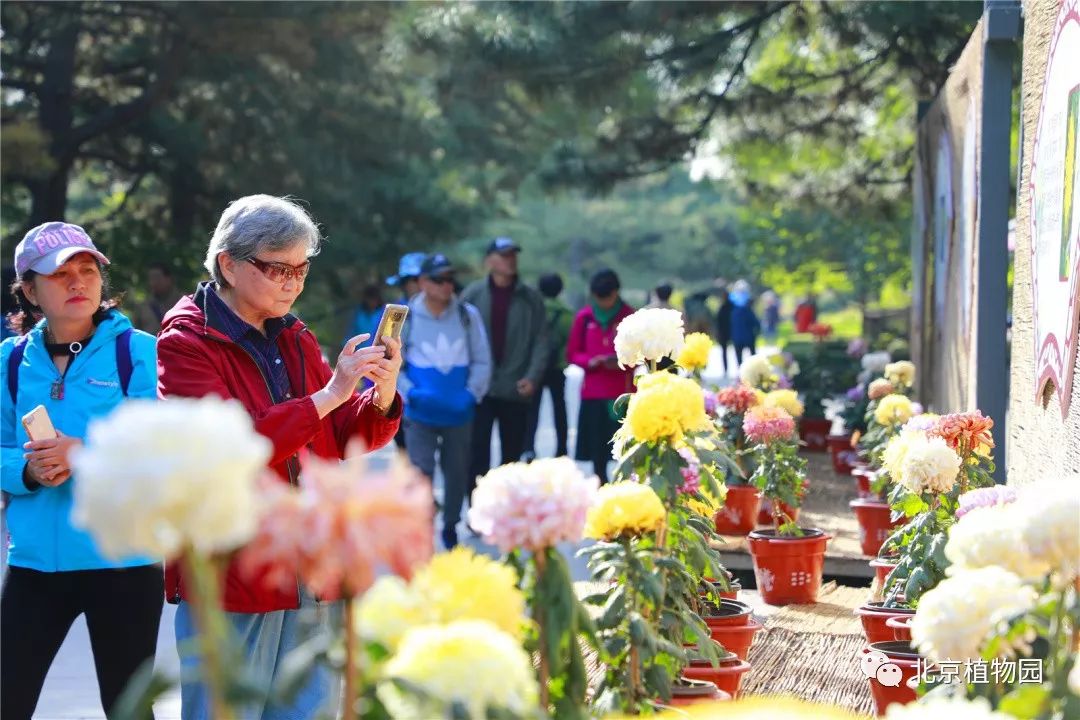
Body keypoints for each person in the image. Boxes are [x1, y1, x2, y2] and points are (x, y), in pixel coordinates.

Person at [156, 195, 404, 720]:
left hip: (310, 558)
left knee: (308, 711)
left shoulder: (293, 333)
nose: (293, 282)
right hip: (234, 566)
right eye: (277, 269)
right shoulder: (185, 341)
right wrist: (333, 392)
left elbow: (338, 437)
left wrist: (379, 393)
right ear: (228, 263)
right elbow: (233, 448)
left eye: (302, 269)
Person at [1, 222, 162, 720]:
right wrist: (28, 471)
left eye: (87, 269)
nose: (77, 282)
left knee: (127, 711)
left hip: (124, 562)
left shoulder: (138, 351)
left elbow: (156, 450)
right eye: (59, 274)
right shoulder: (9, 361)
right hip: (35, 565)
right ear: (30, 290)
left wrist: (84, 455)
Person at [399, 254, 491, 549]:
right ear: (423, 282)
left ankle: (450, 524)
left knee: (456, 471)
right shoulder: (405, 317)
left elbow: (482, 359)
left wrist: (470, 395)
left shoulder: (467, 315)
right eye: (438, 279)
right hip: (419, 413)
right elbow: (390, 363)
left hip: (458, 413)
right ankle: (421, 525)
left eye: (450, 278)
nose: (446, 285)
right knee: (420, 470)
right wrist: (410, 392)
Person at [461, 237, 548, 489]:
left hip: (516, 386)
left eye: (513, 255)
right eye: (503, 255)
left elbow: (541, 341)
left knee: (512, 459)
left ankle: (508, 513)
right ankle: (476, 509)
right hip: (480, 388)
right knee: (476, 453)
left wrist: (532, 377)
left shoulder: (530, 298)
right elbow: (459, 339)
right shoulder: (472, 295)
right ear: (490, 260)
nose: (510, 260)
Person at [567, 269, 635, 483]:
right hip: (593, 392)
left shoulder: (629, 317)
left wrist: (624, 361)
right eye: (599, 298)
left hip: (621, 391)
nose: (604, 303)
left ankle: (625, 482)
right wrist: (590, 361)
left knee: (625, 445)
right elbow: (572, 353)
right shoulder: (584, 318)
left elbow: (642, 352)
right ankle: (600, 481)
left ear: (616, 292)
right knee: (596, 444)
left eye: (607, 297)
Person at [522, 273, 572, 461]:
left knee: (531, 410)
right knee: (560, 408)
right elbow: (570, 342)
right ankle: (562, 449)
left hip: (535, 368)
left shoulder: (531, 311)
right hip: (557, 367)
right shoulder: (566, 313)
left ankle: (528, 448)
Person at [133, 261, 183, 334]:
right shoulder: (143, 307)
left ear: (168, 279)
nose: (153, 283)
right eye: (151, 278)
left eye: (157, 278)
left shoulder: (184, 303)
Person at [729, 279, 761, 367]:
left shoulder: (733, 305)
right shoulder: (746, 306)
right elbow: (754, 321)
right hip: (746, 335)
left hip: (740, 336)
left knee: (742, 359)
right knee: (751, 357)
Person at [715, 286, 733, 376]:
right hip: (724, 332)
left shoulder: (728, 307)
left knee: (726, 351)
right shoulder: (725, 307)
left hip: (730, 331)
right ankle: (725, 369)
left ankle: (728, 369)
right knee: (724, 351)